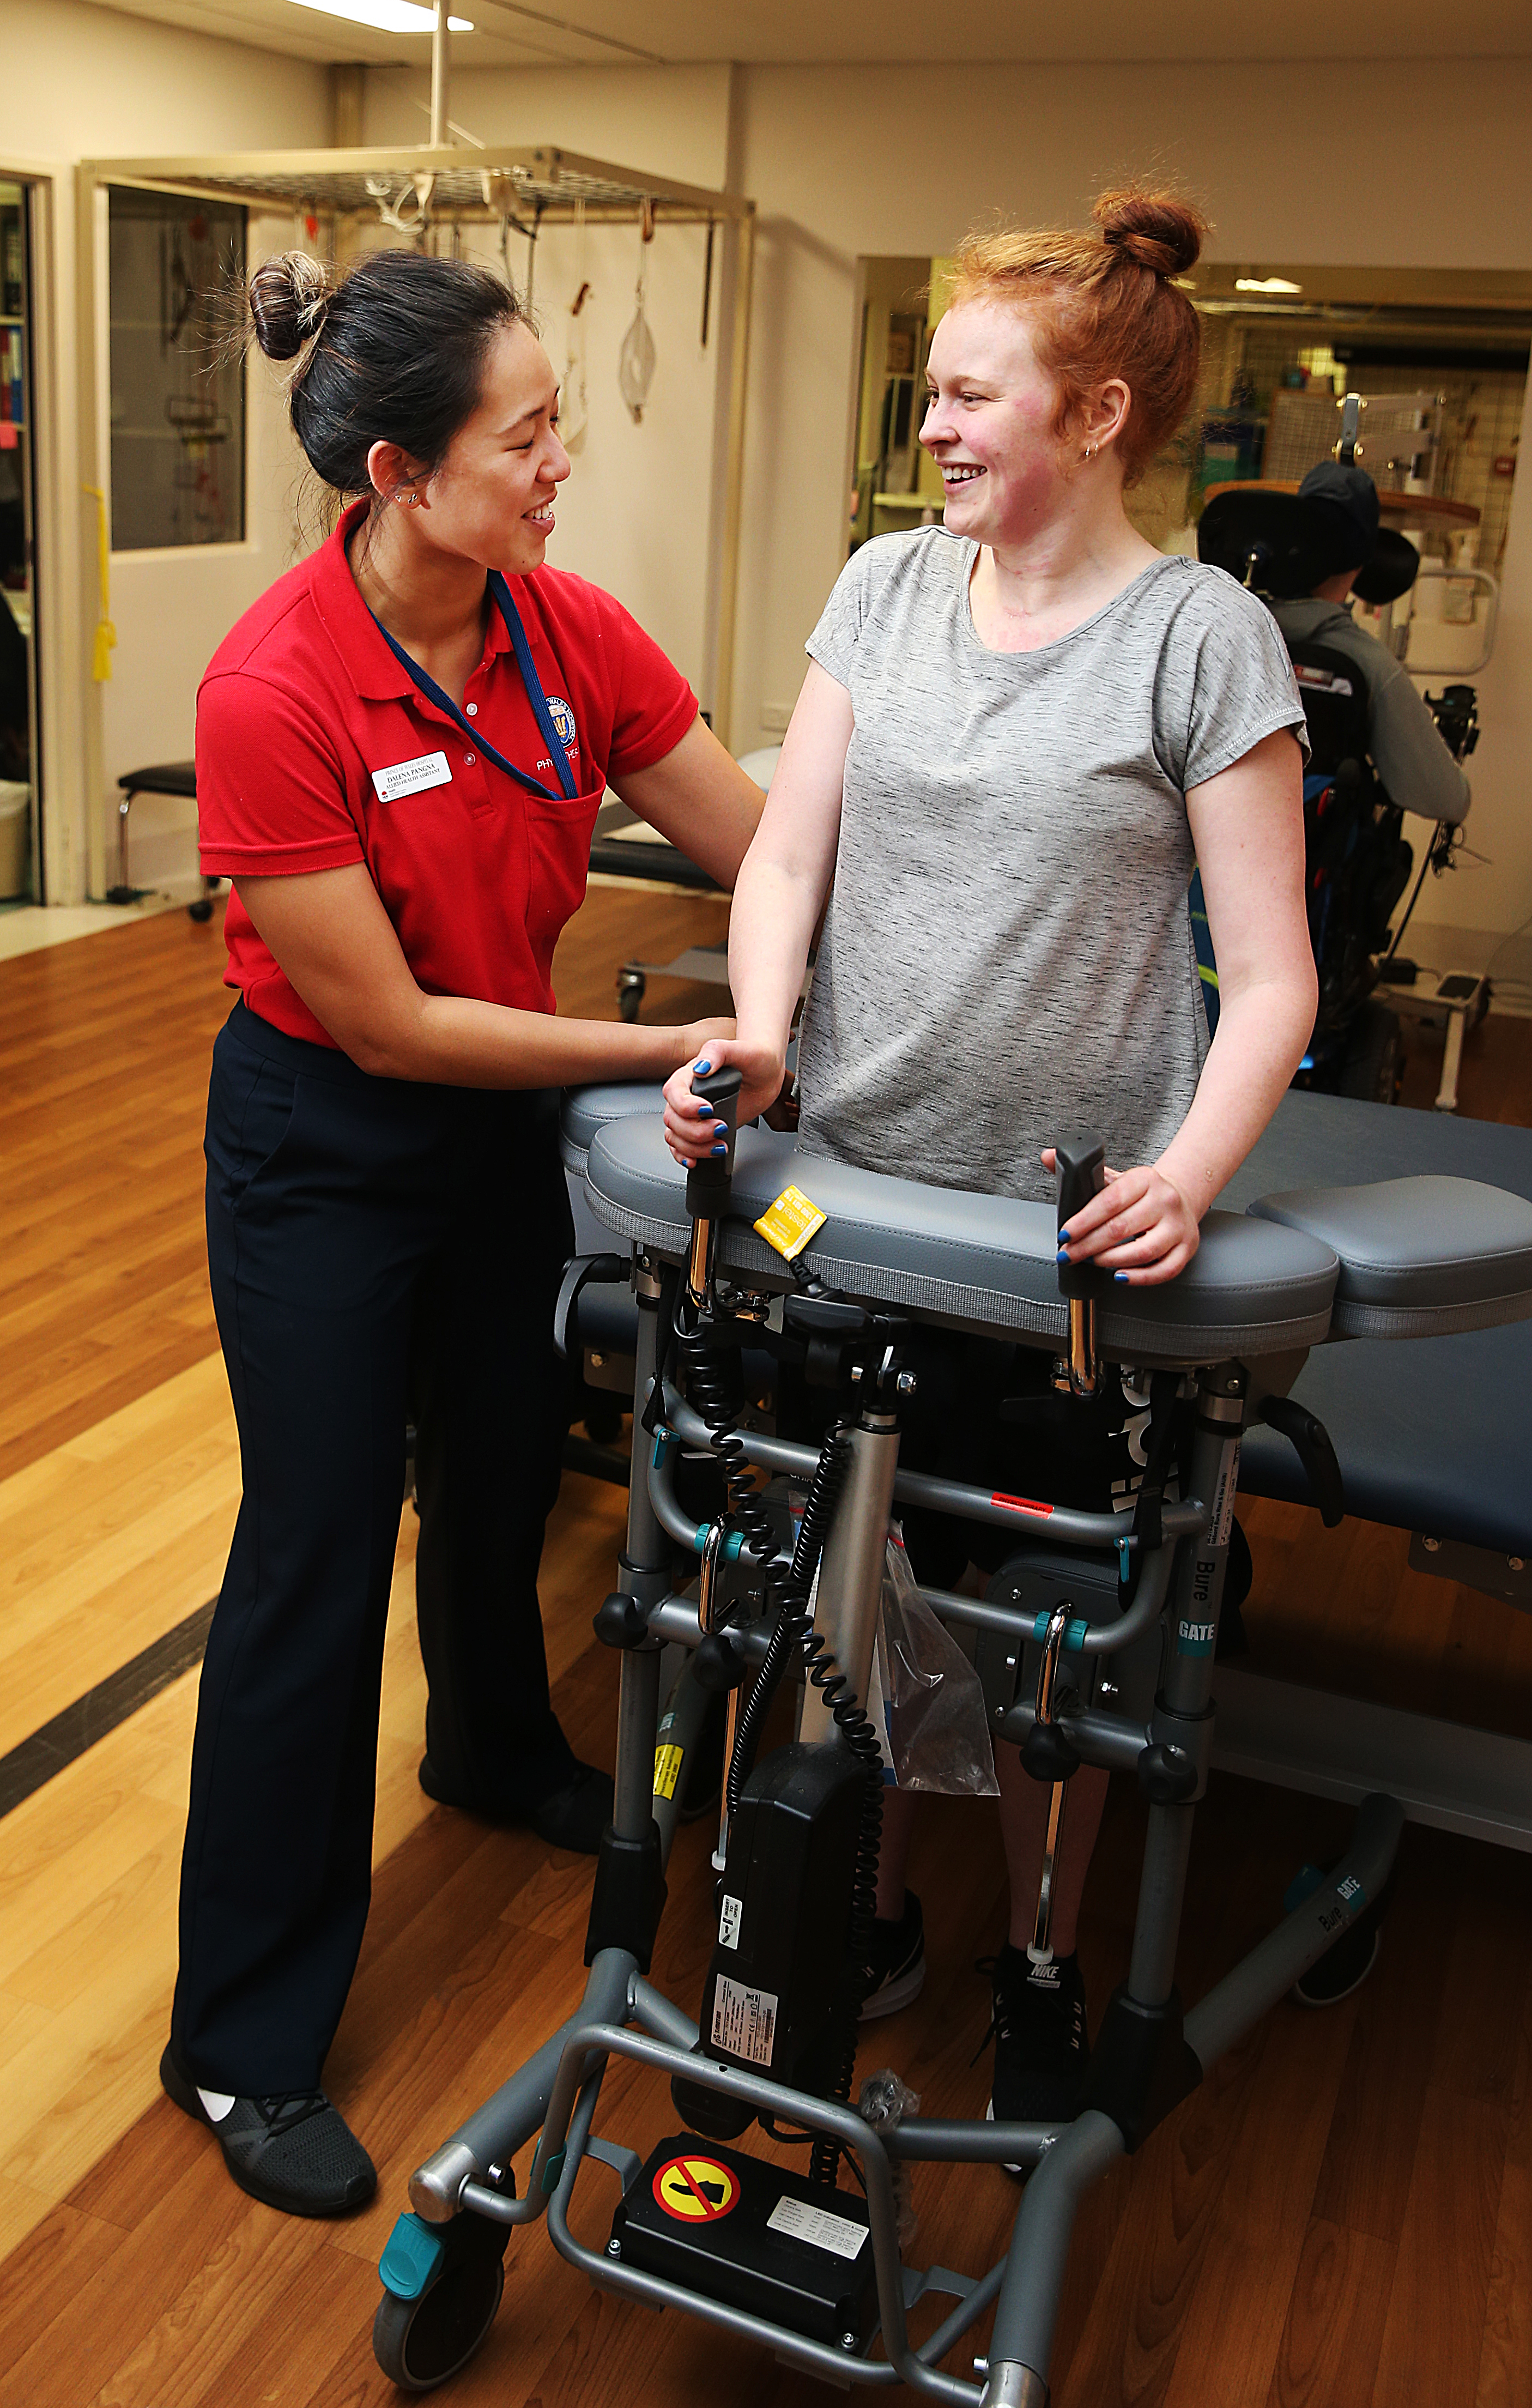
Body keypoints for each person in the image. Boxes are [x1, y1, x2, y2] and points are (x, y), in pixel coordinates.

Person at [664, 189, 1318, 2137]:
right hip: (847, 1190)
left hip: (1059, 1233)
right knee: (842, 1583)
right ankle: (854, 1914)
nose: (931, 424)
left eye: (967, 392)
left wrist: (1192, 1169)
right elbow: (785, 848)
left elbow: (1272, 975)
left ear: (1096, 410)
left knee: (1046, 1626)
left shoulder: (1198, 640)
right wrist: (762, 1029)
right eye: (928, 392)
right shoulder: (878, 590)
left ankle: (1037, 1939)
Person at [164, 247, 761, 2219]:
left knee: (503, 1471)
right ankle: (240, 2044)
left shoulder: (561, 627)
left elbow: (754, 835)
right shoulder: (271, 683)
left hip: (502, 1127)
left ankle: (492, 1747)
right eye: (529, 435)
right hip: (330, 1137)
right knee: (314, 1559)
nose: (561, 465)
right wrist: (659, 1038)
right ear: (408, 471)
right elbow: (386, 1019)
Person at [1270, 462, 1471, 826]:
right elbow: (1445, 799)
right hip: (1309, 872)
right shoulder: (1369, 665)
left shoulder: (1234, 628)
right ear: (1368, 560)